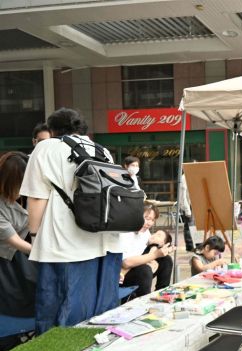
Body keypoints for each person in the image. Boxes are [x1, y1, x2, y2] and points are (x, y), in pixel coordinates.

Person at [20, 108, 122, 335]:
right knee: (100, 312)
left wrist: (35, 236)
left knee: (58, 312)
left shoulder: (45, 147)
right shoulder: (101, 149)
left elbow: (36, 197)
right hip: (105, 243)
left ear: (52, 129)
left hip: (63, 244)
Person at [0, 152, 37, 318]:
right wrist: (43, 253)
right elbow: (14, 241)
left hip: (18, 258)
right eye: (21, 184)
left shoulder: (24, 198)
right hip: (6, 262)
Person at [120, 204, 174, 298]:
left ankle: (162, 294)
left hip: (137, 267)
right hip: (121, 275)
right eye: (146, 218)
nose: (149, 223)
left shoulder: (145, 232)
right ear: (136, 215)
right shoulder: (126, 232)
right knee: (145, 270)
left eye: (152, 220)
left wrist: (154, 258)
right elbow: (126, 263)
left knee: (166, 260)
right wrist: (154, 256)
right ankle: (144, 302)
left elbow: (148, 253)